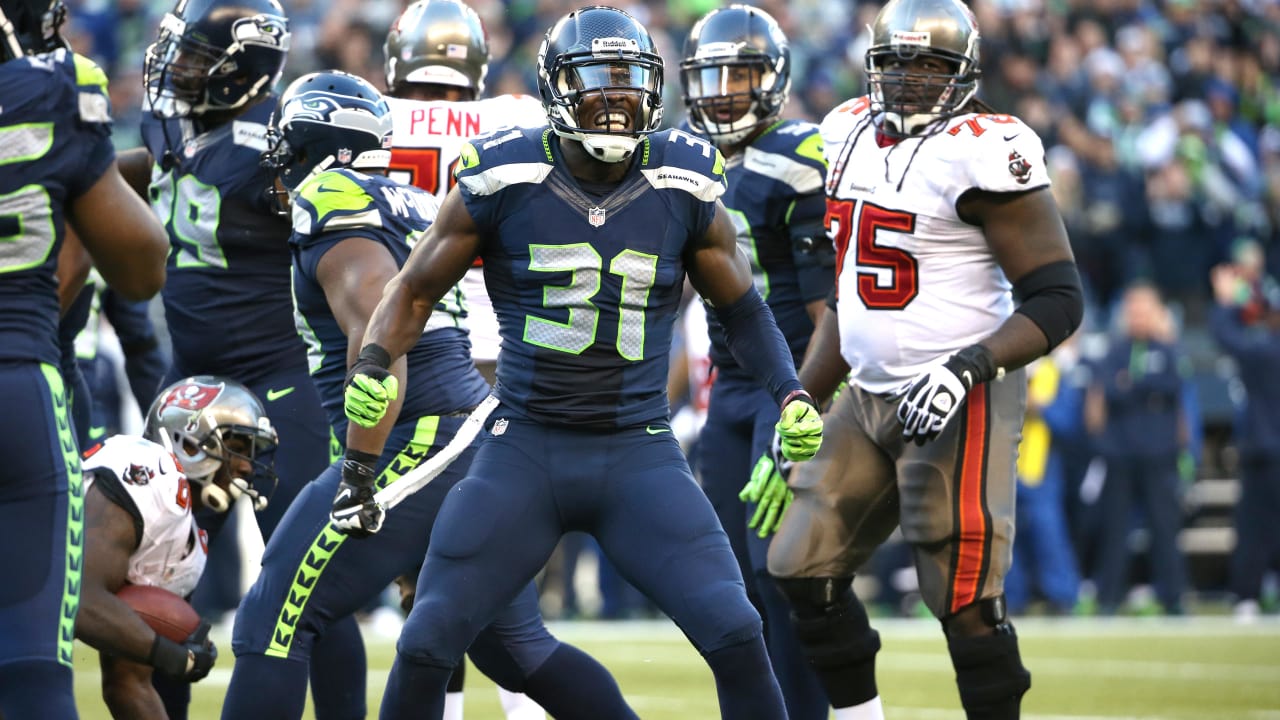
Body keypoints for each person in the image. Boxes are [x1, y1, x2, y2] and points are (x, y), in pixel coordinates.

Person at [340, 6, 825, 718]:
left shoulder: (684, 178)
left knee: (735, 628)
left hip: (638, 448)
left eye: (630, 83)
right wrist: (376, 360)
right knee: (427, 638)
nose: (617, 99)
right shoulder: (502, 171)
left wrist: (790, 391)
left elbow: (743, 307)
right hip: (525, 444)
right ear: (557, 88)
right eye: (597, 83)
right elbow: (411, 289)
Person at [221, 69, 638, 720]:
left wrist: (361, 475)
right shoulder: (404, 201)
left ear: (314, 143)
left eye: (286, 145)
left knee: (272, 616)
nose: (277, 161)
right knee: (512, 648)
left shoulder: (331, 198)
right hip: (472, 433)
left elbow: (381, 333)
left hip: (422, 434)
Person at [761, 0, 1085, 717]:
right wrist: (801, 399)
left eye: (930, 64)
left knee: (963, 599)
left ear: (963, 71)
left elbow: (1059, 298)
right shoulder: (844, 132)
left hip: (962, 394)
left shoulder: (985, 148)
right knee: (799, 566)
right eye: (896, 62)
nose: (909, 79)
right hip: (868, 392)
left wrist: (965, 367)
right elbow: (849, 297)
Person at [116, 0, 363, 716]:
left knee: (311, 582)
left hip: (278, 385)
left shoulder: (277, 150)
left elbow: (352, 228)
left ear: (243, 72)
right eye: (179, 55)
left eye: (196, 60)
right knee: (158, 581)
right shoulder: (176, 128)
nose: (177, 72)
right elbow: (160, 169)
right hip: (190, 387)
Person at [0, 0, 169, 714]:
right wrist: (90, 175)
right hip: (17, 382)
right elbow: (141, 267)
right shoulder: (48, 89)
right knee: (32, 671)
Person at [679, 6, 833, 719]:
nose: (721, 91)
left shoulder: (796, 156)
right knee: (731, 584)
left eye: (737, 75)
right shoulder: (689, 160)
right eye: (709, 75)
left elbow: (827, 308)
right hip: (726, 389)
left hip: (792, 381)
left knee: (783, 576)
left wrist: (807, 402)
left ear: (770, 81)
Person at [76, 376, 278, 719]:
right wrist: (172, 656)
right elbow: (80, 599)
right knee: (35, 682)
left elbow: (128, 683)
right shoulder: (150, 474)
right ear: (188, 442)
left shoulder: (187, 550)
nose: (246, 466)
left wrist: (150, 650)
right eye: (237, 448)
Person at [1085, 281, 1191, 616]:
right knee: (1114, 530)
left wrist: (1132, 386)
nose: (1138, 316)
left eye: (1145, 309)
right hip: (1120, 456)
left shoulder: (1169, 350)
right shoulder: (1113, 351)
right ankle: (1108, 599)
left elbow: (1173, 390)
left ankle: (1173, 599)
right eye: (1132, 309)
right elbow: (1106, 394)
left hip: (1160, 455)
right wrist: (1139, 390)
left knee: (1164, 528)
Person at [1211, 261, 1280, 619]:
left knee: (1255, 526)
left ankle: (1248, 595)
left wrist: (1226, 300)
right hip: (1264, 446)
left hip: (1268, 449)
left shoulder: (1269, 351)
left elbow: (1228, 336)